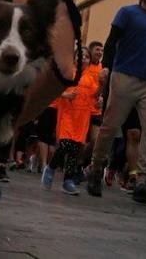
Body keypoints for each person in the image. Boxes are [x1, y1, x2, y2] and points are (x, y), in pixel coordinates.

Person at [86, 0, 146, 205]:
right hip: (123, 77)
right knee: (110, 126)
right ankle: (95, 168)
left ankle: (142, 181)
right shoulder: (126, 13)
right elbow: (111, 43)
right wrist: (106, 68)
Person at [42, 48, 99, 195]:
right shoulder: (68, 73)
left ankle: (68, 181)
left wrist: (101, 95)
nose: (84, 58)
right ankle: (51, 167)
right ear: (74, 58)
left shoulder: (90, 79)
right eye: (81, 56)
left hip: (82, 118)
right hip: (67, 114)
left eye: (87, 56)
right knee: (65, 143)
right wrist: (66, 95)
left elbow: (95, 96)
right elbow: (53, 88)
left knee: (74, 149)